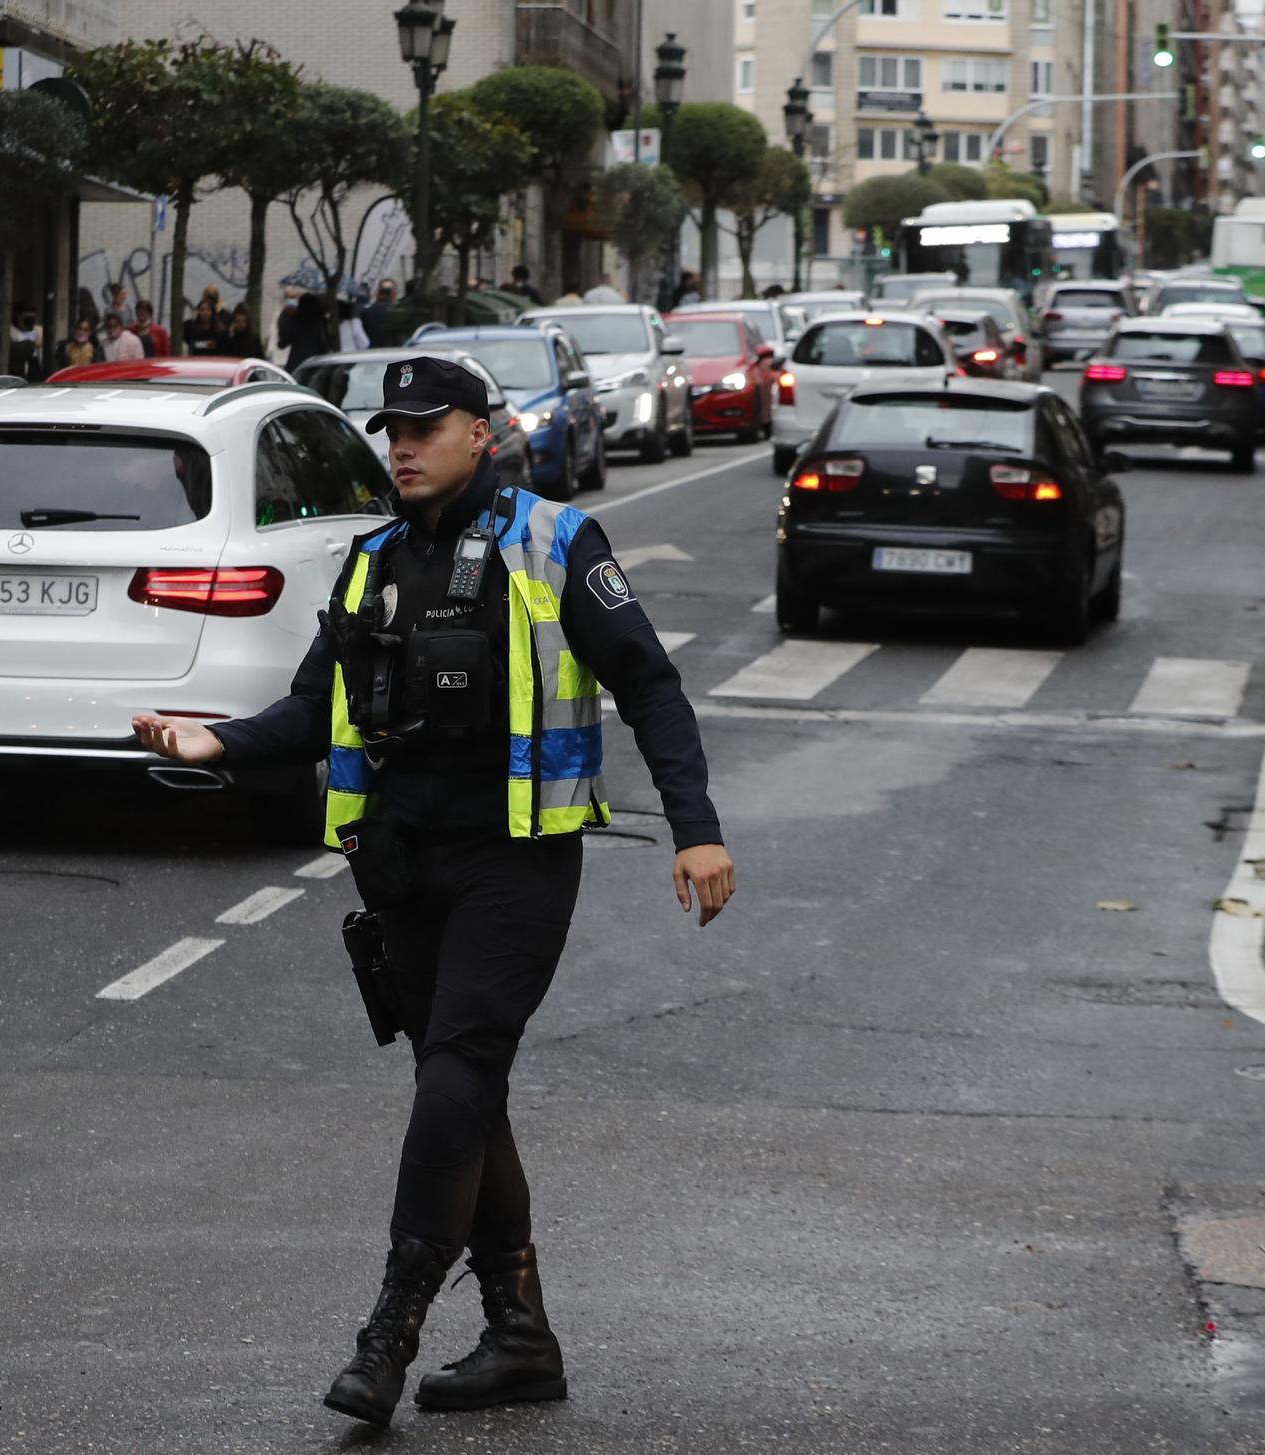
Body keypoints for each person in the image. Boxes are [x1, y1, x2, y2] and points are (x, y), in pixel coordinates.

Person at [132, 356, 735, 1430]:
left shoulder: (553, 541)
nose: (402, 446)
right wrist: (212, 740)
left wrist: (694, 830)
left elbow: (648, 682)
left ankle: (389, 1331)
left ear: (480, 432)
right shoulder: (368, 561)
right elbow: (313, 710)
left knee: (457, 1068)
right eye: (391, 429)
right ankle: (519, 1336)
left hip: (515, 858)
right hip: (401, 865)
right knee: (465, 1086)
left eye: (425, 426)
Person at [284, 292, 329, 371]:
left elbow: (283, 343)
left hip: (296, 362)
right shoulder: (320, 322)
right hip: (315, 361)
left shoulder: (295, 321)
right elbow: (324, 342)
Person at [7, 307, 46, 382]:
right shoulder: (12, 331)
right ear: (18, 316)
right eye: (27, 316)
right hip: (21, 369)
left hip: (38, 368)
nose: (30, 319)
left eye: (32, 317)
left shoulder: (39, 330)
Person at [363, 278, 398, 346]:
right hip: (395, 353)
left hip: (370, 353)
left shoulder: (366, 312)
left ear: (378, 293)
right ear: (393, 293)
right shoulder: (398, 312)